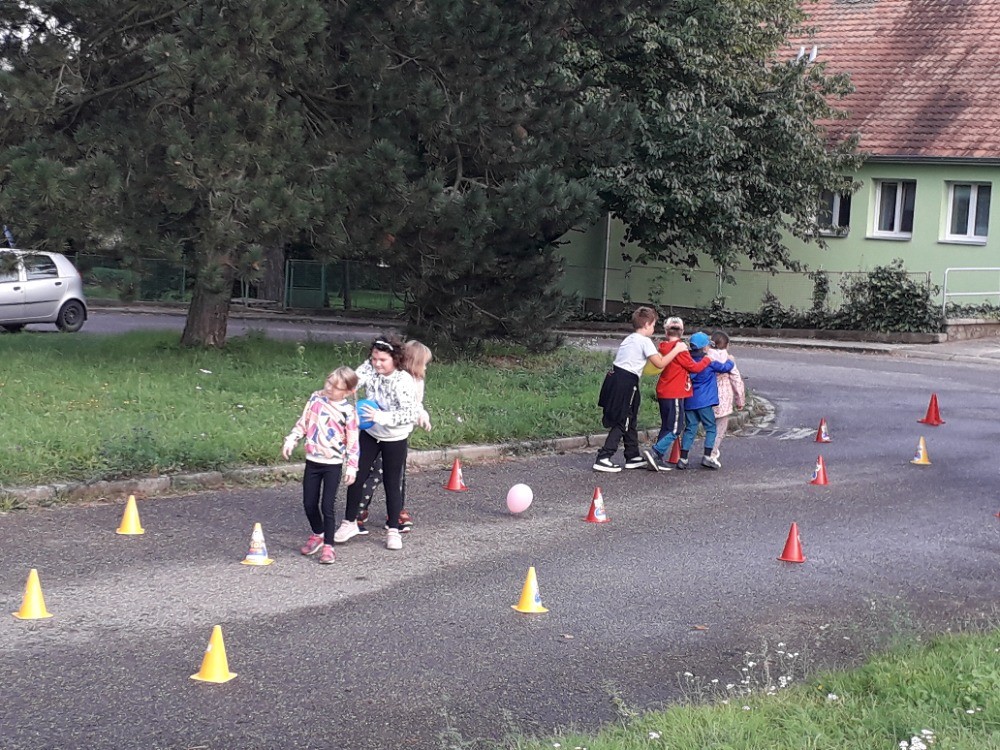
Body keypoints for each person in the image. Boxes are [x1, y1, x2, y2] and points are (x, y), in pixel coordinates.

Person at [334, 335, 418, 551]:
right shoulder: (370, 369)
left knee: (392, 482)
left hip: (395, 437)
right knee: (356, 474)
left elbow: (410, 413)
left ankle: (393, 530)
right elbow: (355, 379)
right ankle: (349, 522)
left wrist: (380, 416)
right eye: (374, 358)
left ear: (395, 359)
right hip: (370, 433)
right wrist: (344, 387)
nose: (377, 363)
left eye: (382, 360)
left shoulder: (404, 381)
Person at [282, 367, 360, 564]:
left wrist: (352, 466)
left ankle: (328, 546)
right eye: (328, 382)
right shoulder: (316, 399)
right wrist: (292, 439)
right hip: (313, 461)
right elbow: (304, 423)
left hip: (332, 464)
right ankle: (318, 533)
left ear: (348, 392)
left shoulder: (348, 412)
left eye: (336, 387)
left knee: (327, 506)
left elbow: (353, 441)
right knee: (309, 503)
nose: (329, 388)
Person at [593, 306, 686, 472]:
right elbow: (660, 363)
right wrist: (677, 349)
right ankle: (604, 457)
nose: (654, 329)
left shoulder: (630, 339)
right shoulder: (644, 341)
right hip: (627, 382)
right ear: (646, 324)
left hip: (617, 378)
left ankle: (632, 456)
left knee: (631, 418)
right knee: (623, 420)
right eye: (653, 325)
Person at [356, 340, 433, 534]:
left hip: (398, 435)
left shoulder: (415, 381)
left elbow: (415, 406)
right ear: (414, 362)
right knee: (375, 474)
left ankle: (396, 513)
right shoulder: (396, 379)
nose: (425, 368)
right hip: (379, 433)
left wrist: (422, 415)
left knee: (397, 476)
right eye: (423, 363)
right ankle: (359, 511)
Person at [642, 317, 729, 471]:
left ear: (666, 331)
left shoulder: (664, 347)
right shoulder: (681, 350)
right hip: (675, 393)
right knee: (677, 428)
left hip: (665, 391)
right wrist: (709, 360)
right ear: (682, 332)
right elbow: (695, 368)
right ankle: (655, 452)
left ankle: (670, 458)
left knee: (671, 426)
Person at [675, 331, 735, 470]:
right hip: (705, 402)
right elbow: (724, 368)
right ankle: (707, 457)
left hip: (689, 401)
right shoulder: (708, 362)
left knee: (690, 428)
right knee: (711, 427)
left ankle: (683, 458)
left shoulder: (687, 361)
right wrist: (730, 361)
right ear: (705, 348)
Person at [707, 330, 745, 467]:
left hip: (706, 397)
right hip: (723, 399)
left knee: (708, 426)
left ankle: (689, 453)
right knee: (720, 429)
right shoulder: (729, 360)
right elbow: (736, 380)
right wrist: (740, 400)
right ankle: (711, 454)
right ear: (727, 345)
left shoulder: (706, 356)